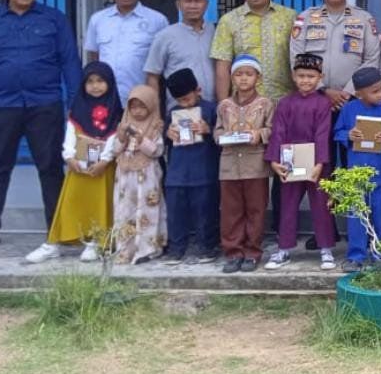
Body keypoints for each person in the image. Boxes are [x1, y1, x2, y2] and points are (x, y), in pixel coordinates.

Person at [0, 0, 81, 247]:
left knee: (51, 167)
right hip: (1, 105)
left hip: (45, 104)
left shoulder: (54, 19)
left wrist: (77, 102)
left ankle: (57, 229)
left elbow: (69, 61)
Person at [24, 62, 121, 264]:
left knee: (98, 204)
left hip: (102, 171)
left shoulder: (115, 111)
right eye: (90, 82)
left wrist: (104, 160)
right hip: (78, 168)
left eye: (101, 81)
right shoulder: (77, 109)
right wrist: (69, 157)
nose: (95, 86)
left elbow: (114, 137)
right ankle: (53, 244)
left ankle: (95, 242)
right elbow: (70, 134)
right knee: (70, 204)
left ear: (110, 83)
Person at [264, 53, 336, 271]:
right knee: (287, 204)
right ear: (294, 77)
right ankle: (284, 248)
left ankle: (326, 248)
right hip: (291, 160)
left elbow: (323, 134)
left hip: (316, 161)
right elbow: (278, 131)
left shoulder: (323, 103)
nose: (306, 80)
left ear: (319, 77)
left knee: (321, 205)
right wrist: (274, 159)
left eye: (311, 76)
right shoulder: (285, 103)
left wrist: (320, 163)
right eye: (301, 76)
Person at [290, 0, 381, 118]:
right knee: (314, 142)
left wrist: (347, 92)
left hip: (353, 100)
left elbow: (372, 59)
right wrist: (323, 89)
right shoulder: (305, 18)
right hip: (314, 97)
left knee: (350, 140)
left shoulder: (364, 18)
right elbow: (296, 57)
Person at [214, 55, 273, 273]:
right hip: (229, 167)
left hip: (255, 165)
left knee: (256, 210)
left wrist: (259, 134)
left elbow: (272, 129)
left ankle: (252, 252)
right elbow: (217, 130)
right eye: (239, 74)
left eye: (249, 74)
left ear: (258, 77)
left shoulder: (265, 104)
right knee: (231, 211)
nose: (244, 79)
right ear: (232, 78)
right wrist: (221, 137)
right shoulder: (224, 105)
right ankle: (233, 252)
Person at [334, 67, 381, 272]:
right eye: (374, 91)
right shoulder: (349, 109)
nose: (380, 94)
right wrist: (349, 135)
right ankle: (356, 255)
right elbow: (338, 133)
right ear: (359, 93)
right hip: (357, 169)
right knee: (357, 214)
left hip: (380, 171)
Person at [84, 0, 168, 106]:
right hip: (105, 100)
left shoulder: (157, 20)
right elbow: (94, 58)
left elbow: (164, 63)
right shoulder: (97, 20)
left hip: (141, 102)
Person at [211, 0, 296, 103]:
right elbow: (222, 67)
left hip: (284, 103)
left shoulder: (290, 17)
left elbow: (299, 61)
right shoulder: (228, 21)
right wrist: (224, 106)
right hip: (244, 105)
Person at [104, 85, 167, 264]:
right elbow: (115, 150)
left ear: (152, 106)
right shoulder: (123, 125)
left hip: (147, 177)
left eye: (142, 106)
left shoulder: (155, 126)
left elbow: (157, 151)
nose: (137, 111)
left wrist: (142, 141)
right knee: (125, 212)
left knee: (147, 212)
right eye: (133, 107)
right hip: (125, 178)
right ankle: (125, 249)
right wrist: (122, 137)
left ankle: (148, 249)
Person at [161, 69, 219, 265]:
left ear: (198, 90)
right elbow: (164, 142)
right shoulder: (172, 113)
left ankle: (207, 247)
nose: (183, 104)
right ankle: (176, 249)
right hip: (177, 173)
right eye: (179, 100)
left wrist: (208, 130)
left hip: (204, 172)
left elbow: (222, 139)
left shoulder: (211, 110)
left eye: (186, 98)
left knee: (205, 212)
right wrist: (167, 134)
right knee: (175, 213)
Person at [145, 0, 216, 109]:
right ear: (178, 4)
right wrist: (154, 113)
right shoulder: (165, 36)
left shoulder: (217, 32)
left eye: (198, 1)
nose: (193, 6)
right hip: (180, 110)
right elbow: (152, 76)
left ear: (206, 4)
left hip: (214, 109)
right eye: (188, 1)